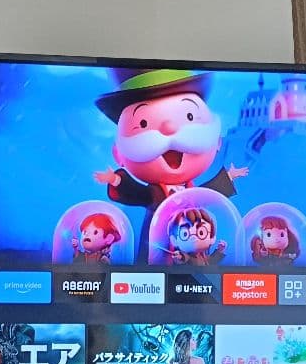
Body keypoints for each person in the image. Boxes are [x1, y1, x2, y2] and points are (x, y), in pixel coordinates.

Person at [92, 69, 248, 261]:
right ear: (119, 154)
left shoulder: (192, 194)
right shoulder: (153, 194)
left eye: (189, 116)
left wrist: (229, 176)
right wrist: (116, 180)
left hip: (191, 254)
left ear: (217, 143)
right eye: (143, 123)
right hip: (156, 254)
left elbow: (208, 192)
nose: (169, 128)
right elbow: (136, 193)